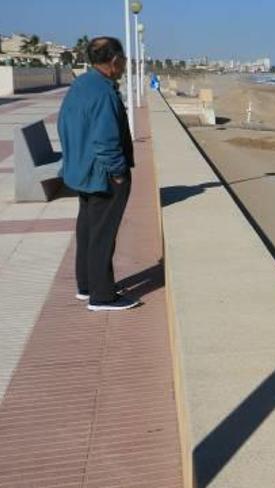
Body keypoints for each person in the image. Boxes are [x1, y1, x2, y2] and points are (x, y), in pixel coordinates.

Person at [58, 37, 140, 311]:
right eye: (125, 60)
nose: (126, 65)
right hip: (102, 175)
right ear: (115, 61)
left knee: (88, 231)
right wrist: (118, 173)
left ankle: (86, 286)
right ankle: (102, 296)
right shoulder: (103, 92)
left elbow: (66, 126)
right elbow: (105, 142)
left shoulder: (82, 84)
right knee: (103, 235)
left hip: (82, 170)